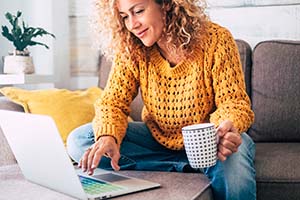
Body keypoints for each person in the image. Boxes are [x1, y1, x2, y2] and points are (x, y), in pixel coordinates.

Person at [67, 0, 256, 199]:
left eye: (138, 11)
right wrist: (108, 137)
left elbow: (234, 103)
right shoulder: (132, 48)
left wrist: (222, 132)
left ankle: (194, 164)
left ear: (166, 4)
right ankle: (186, 167)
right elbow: (112, 102)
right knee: (80, 140)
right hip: (158, 139)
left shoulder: (216, 40)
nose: (132, 24)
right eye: (124, 16)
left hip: (210, 140)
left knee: (235, 162)